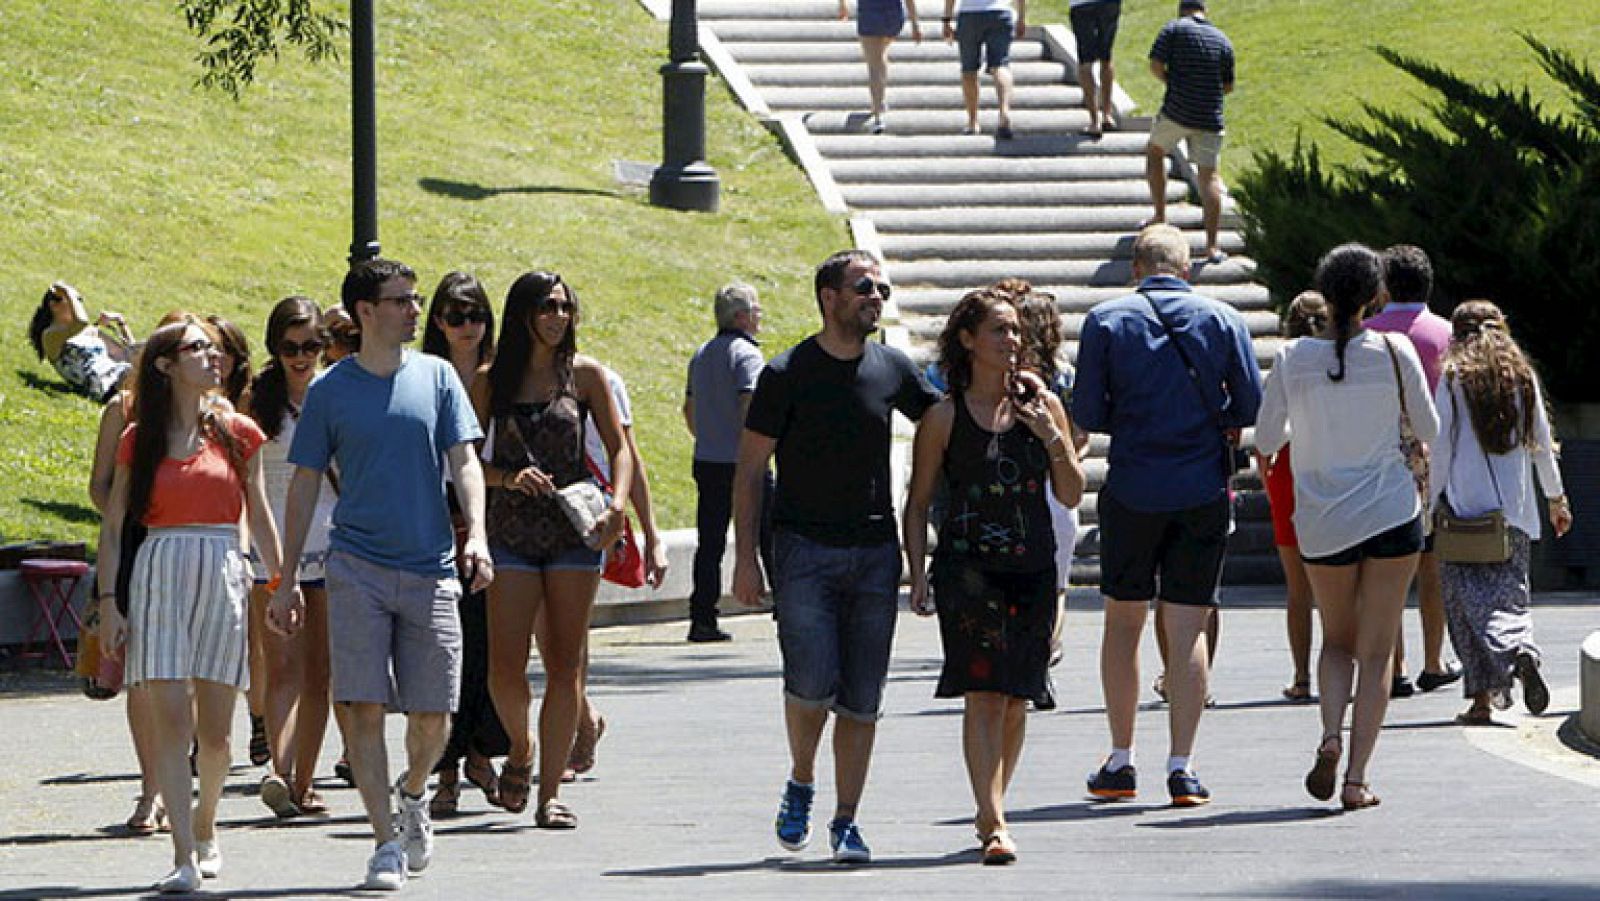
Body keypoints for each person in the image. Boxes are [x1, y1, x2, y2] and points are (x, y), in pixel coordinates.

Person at [272, 258, 493, 890]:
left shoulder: (438, 377)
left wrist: (476, 532)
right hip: (356, 567)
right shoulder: (331, 391)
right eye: (401, 300)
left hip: (430, 568)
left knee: (432, 714)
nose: (414, 309)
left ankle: (415, 793)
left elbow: (465, 461)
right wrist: (287, 579)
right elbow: (304, 484)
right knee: (360, 706)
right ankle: (383, 842)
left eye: (414, 299)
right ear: (366, 312)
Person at [733, 249, 940, 863]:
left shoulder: (893, 370)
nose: (875, 296)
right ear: (829, 296)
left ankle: (846, 820)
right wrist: (746, 558)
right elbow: (749, 470)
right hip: (803, 551)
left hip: (875, 553)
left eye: (880, 286)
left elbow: (945, 423)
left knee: (861, 697)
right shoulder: (786, 373)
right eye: (862, 286)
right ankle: (802, 777)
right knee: (811, 683)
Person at [1072, 224, 1261, 807]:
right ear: (1187, 268)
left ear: (1136, 267)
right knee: (1187, 627)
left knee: (1123, 622)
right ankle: (1183, 766)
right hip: (1202, 487)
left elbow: (1087, 409)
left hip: (1132, 487)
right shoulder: (1224, 319)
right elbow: (1251, 401)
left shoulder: (1106, 320)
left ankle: (1121, 758)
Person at [97, 319, 287, 893]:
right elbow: (112, 526)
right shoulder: (141, 436)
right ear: (165, 365)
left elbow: (258, 511)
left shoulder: (239, 432)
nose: (211, 357)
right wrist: (109, 600)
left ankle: (206, 825)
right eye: (196, 349)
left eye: (213, 348)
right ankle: (182, 854)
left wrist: (282, 582)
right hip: (159, 566)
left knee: (218, 734)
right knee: (170, 723)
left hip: (223, 564)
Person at [1255, 243, 1440, 812]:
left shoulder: (1291, 358)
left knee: (1336, 641)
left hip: (1322, 517)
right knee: (1377, 650)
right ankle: (1357, 777)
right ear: (1375, 296)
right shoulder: (1394, 350)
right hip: (1389, 511)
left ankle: (1330, 734)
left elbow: (1265, 440)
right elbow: (1428, 426)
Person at [904, 289, 1084, 865]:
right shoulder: (944, 416)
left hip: (1032, 565)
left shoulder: (1043, 405)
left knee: (1016, 699)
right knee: (983, 693)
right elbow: (918, 500)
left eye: (1016, 332)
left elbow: (1072, 491)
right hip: (967, 570)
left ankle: (992, 804)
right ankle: (995, 819)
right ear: (967, 340)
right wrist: (916, 572)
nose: (1012, 342)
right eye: (999, 331)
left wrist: (1049, 434)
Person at [474, 270, 631, 829]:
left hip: (574, 530)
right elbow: (466, 461)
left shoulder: (585, 375)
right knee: (505, 665)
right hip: (511, 530)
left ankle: (548, 795)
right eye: (547, 307)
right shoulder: (492, 380)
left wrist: (618, 504)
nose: (558, 317)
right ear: (522, 315)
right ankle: (521, 745)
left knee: (566, 665)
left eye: (565, 307)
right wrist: (508, 479)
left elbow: (620, 448)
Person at [1431, 301, 1572, 725]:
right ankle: (1521, 649)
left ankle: (1482, 697)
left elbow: (1441, 449)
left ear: (1457, 336)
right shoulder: (1521, 377)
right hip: (1514, 517)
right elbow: (1542, 444)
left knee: (1464, 609)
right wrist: (1557, 499)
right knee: (1509, 598)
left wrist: (1427, 504)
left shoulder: (1454, 378)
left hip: (1462, 517)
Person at [87, 310, 191, 838]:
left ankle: (179, 782)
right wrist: (129, 522)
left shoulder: (204, 414)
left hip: (193, 550)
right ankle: (152, 789)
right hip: (135, 549)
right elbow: (100, 486)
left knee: (186, 676)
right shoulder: (122, 411)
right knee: (142, 677)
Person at [414, 272, 508, 818]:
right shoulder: (424, 376)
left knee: (488, 648)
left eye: (475, 315)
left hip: (495, 522)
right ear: (437, 323)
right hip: (434, 519)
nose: (466, 326)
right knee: (445, 650)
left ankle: (479, 752)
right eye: (454, 315)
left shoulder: (503, 375)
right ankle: (446, 769)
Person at [243, 298, 336, 819]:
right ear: (274, 349)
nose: (300, 357)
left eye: (310, 346)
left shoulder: (337, 393)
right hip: (272, 546)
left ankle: (305, 779)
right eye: (289, 347)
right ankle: (281, 771)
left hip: (331, 543)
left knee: (319, 671)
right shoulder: (257, 400)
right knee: (281, 665)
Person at [1365, 244, 1461, 698]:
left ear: (1383, 285)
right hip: (1438, 467)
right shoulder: (1447, 335)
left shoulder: (1365, 334)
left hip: (1382, 467)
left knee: (1388, 572)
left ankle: (1396, 666)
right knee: (1431, 567)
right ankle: (1434, 659)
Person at [684, 282, 770, 643]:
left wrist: (707, 435)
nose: (760, 316)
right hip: (742, 461)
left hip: (707, 458)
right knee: (769, 533)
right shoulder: (747, 356)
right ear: (741, 316)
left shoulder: (702, 354)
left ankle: (702, 616)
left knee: (710, 541)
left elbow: (688, 410)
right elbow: (752, 404)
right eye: (756, 310)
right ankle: (789, 604)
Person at [1259, 290, 1328, 702]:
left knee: (1298, 587)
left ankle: (1302, 677)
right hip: (1332, 462)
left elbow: (1267, 433)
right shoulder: (1342, 355)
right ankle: (1353, 666)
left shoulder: (1287, 359)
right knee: (1345, 581)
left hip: (1288, 466)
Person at [1144, 0, 1234, 263]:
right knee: (1209, 178)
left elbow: (1155, 65)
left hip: (1177, 111)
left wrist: (1172, 82)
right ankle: (1212, 246)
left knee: (1155, 151)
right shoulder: (1221, 39)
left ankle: (1160, 216)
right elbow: (1228, 85)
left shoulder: (1173, 29)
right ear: (1205, 10)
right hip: (1210, 116)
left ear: (1181, 8)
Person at [28, 281, 134, 402]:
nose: (78, 304)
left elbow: (130, 354)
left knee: (150, 361)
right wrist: (68, 291)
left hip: (120, 373)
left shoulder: (89, 331)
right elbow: (81, 322)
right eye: (74, 300)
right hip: (102, 384)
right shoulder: (50, 335)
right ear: (54, 305)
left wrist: (121, 322)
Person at [942, 0, 1026, 139]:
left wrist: (947, 20)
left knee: (969, 70)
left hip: (970, 14)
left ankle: (973, 121)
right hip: (1000, 11)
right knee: (1000, 65)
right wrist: (1022, 17)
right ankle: (1004, 113)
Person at [839, 0, 921, 134]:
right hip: (892, 14)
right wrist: (915, 23)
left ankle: (877, 113)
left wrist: (842, 4)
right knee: (880, 55)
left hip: (869, 11)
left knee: (874, 64)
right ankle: (880, 100)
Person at [1068, 0, 1120, 137]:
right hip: (1108, 4)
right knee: (1106, 58)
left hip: (1081, 5)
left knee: (1085, 63)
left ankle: (1094, 121)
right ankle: (1107, 115)